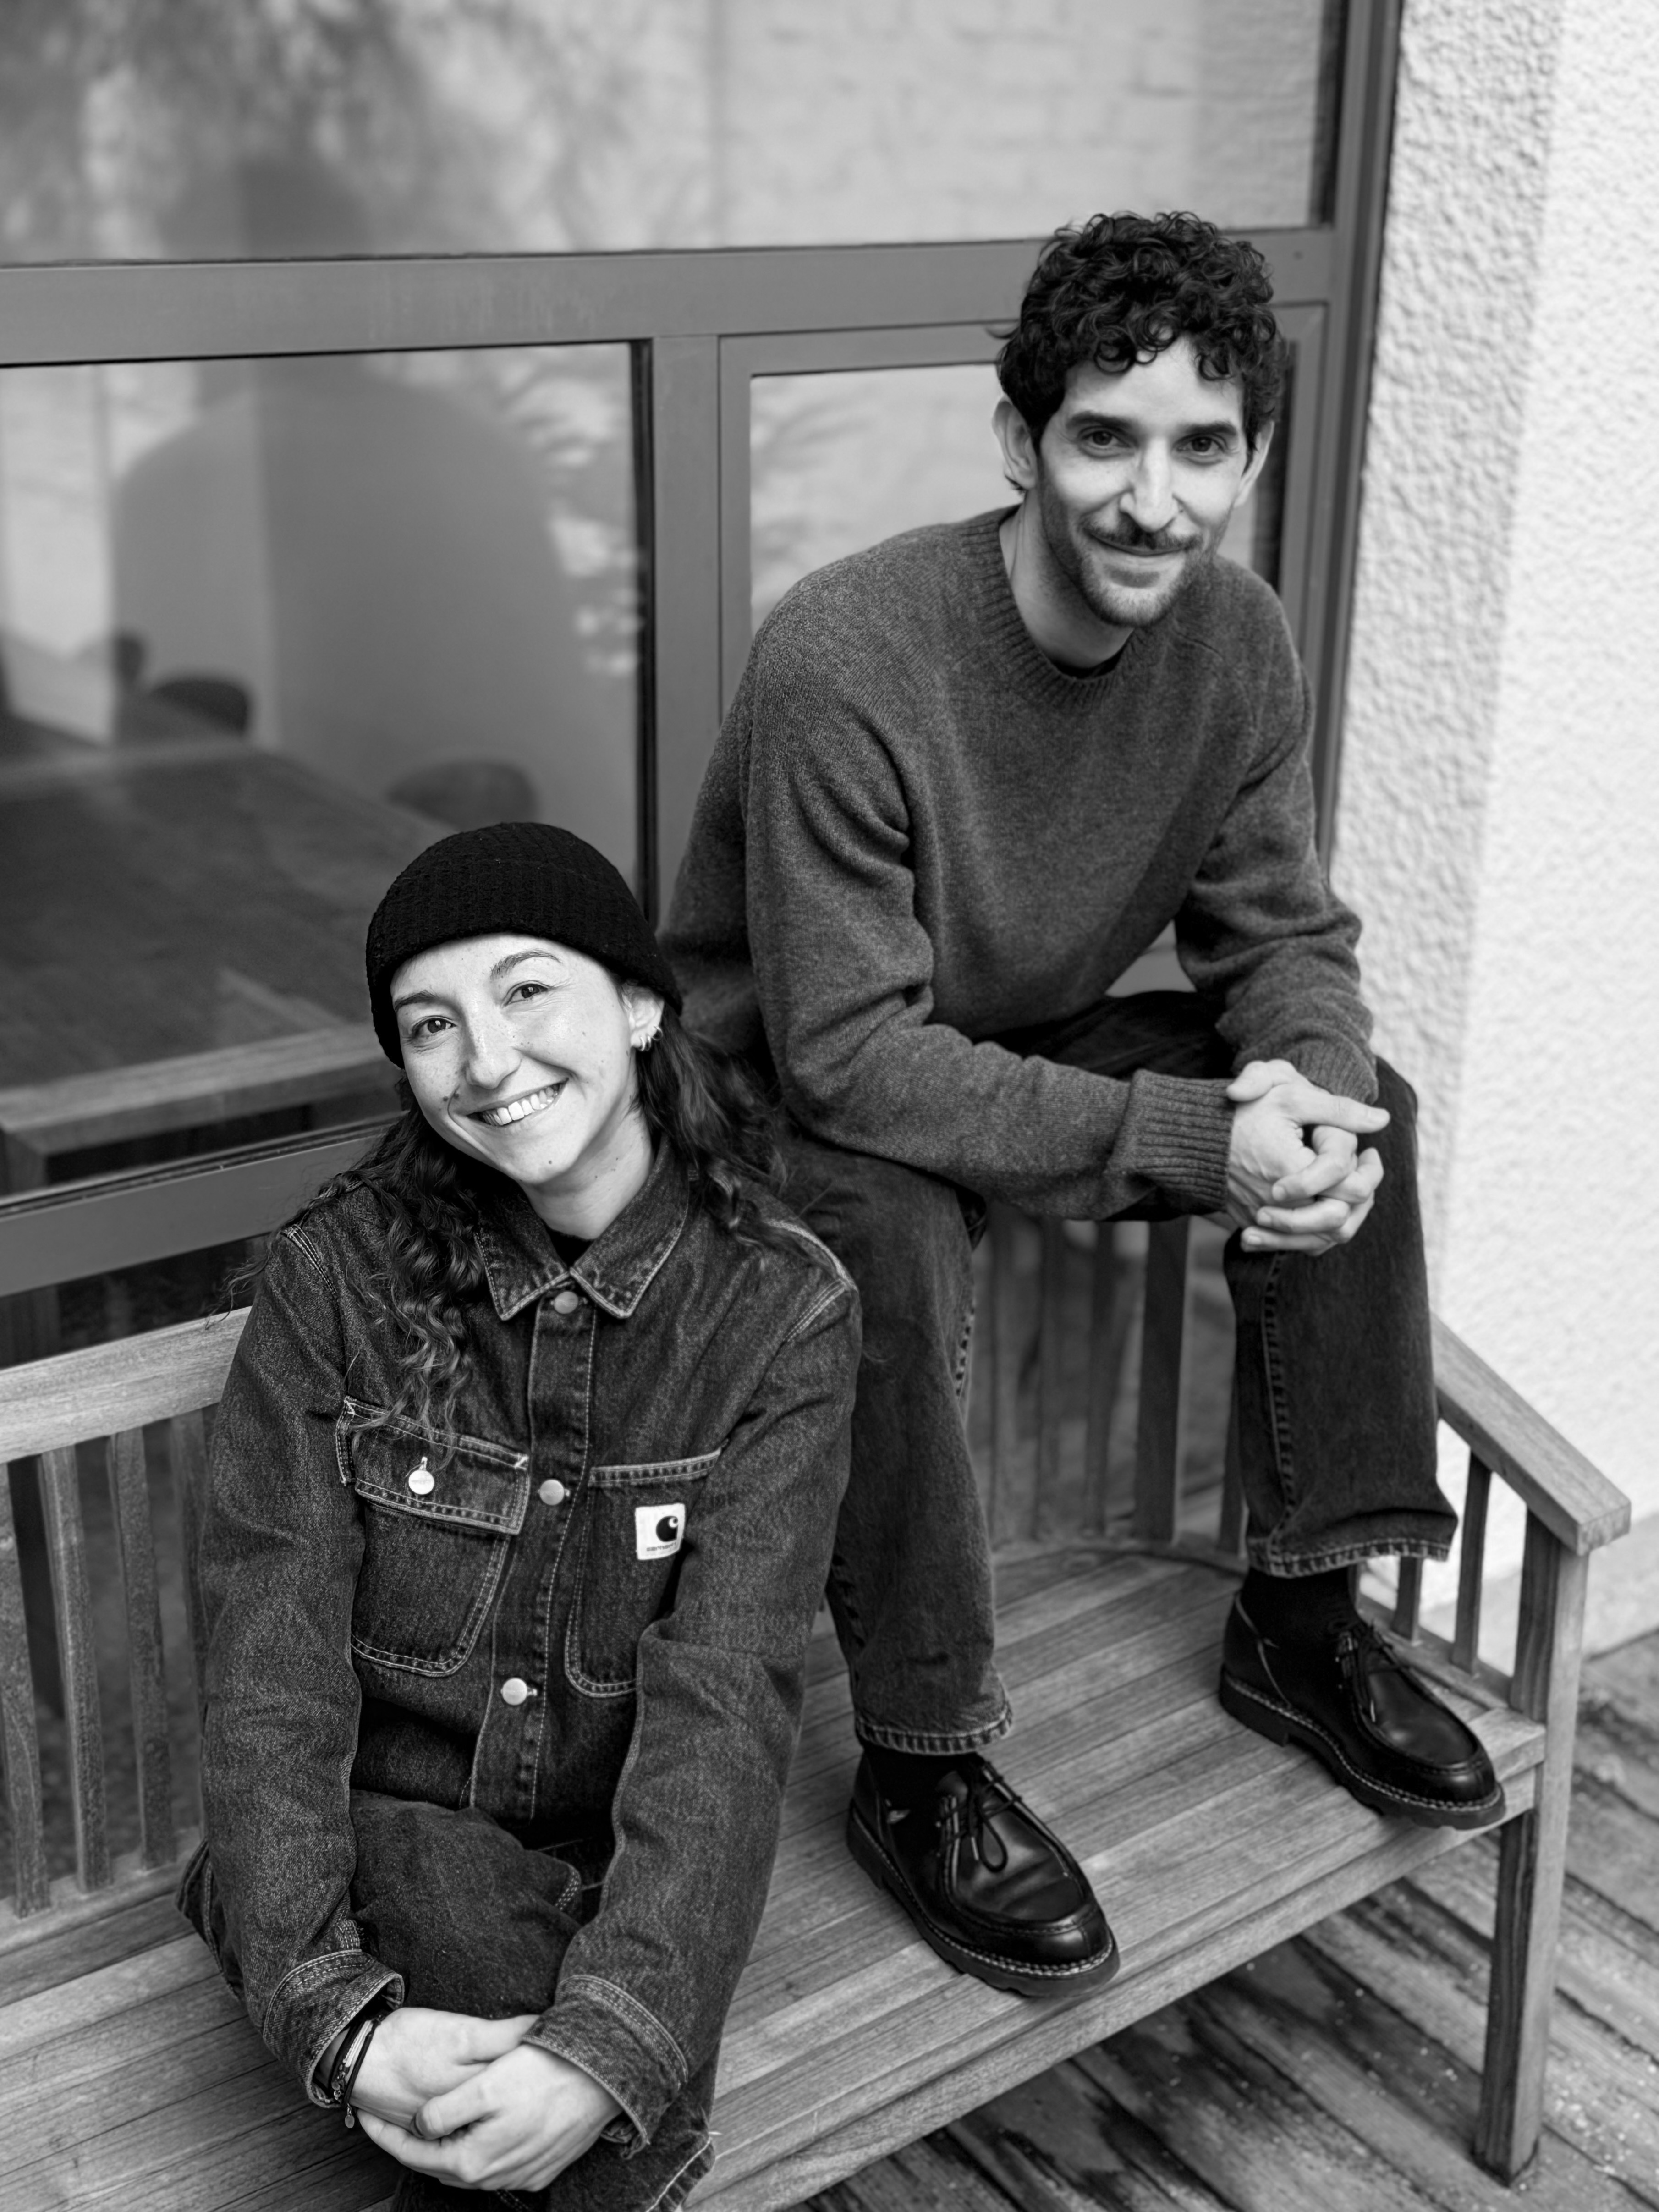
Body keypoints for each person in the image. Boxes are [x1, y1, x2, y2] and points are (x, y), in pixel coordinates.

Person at [662, 209, 1502, 2001]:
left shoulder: (1236, 646)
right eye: (1103, 438)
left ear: (1249, 460)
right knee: (880, 1221)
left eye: (1202, 448)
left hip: (1018, 1037)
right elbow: (850, 1056)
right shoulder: (847, 657)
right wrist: (1197, 1140)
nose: (1151, 499)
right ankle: (924, 1762)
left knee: (1364, 1098)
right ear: (1017, 440)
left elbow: (1280, 937)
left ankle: (1300, 1622)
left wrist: (1307, 1108)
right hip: (785, 1092)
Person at [181, 822, 858, 2211]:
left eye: (528, 989)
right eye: (431, 1024)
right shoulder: (335, 1285)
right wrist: (338, 2018)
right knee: (490, 1974)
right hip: (371, 1840)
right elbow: (270, 1678)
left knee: (545, 2063)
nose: (486, 1062)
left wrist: (601, 2043)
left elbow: (725, 1704)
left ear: (640, 1004)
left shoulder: (778, 1313)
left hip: (617, 1856)